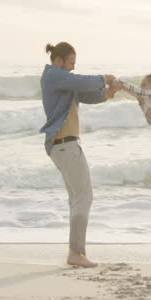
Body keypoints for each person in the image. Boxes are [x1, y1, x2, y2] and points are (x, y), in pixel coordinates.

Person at [39, 42, 114, 268]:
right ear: (58, 60)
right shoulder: (53, 75)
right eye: (71, 62)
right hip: (65, 144)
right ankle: (76, 253)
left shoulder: (64, 81)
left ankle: (76, 252)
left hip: (65, 145)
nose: (73, 67)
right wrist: (104, 77)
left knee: (77, 198)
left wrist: (108, 93)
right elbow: (81, 81)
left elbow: (86, 94)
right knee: (84, 196)